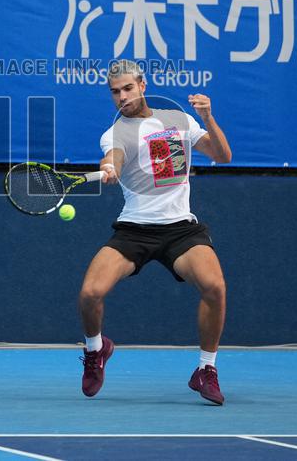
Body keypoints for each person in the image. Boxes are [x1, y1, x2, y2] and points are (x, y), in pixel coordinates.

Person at [79, 59, 232, 405]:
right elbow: (114, 157)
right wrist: (110, 169)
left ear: (143, 85)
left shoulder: (179, 121)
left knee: (215, 286)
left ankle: (206, 369)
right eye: (115, 92)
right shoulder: (114, 133)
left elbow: (223, 155)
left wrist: (208, 117)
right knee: (90, 293)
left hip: (180, 229)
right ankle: (96, 349)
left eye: (128, 88)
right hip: (134, 230)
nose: (122, 97)